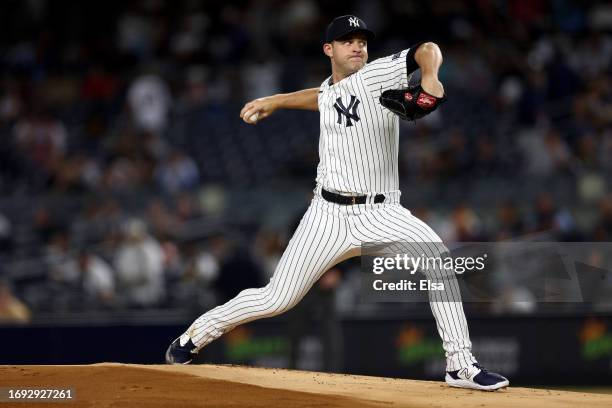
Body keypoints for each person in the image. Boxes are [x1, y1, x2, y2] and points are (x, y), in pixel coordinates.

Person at [166, 15, 509, 391]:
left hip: (382, 212)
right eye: (348, 41)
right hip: (326, 216)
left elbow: (428, 50)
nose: (358, 46)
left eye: (362, 40)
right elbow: (321, 96)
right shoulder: (331, 90)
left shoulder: (379, 74)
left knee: (438, 260)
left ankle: (460, 365)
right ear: (329, 50)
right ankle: (193, 337)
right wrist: (276, 101)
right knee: (276, 298)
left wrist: (430, 79)